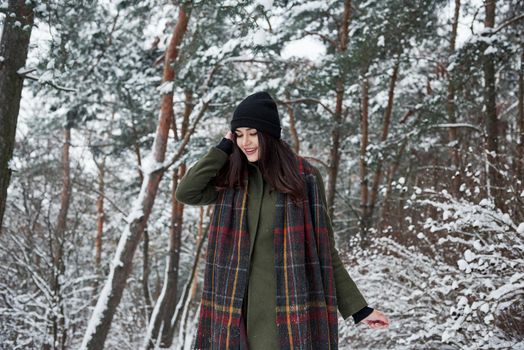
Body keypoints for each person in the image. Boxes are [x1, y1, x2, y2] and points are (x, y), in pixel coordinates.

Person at [176, 91, 389, 350]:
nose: (246, 142)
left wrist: (359, 309)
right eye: (239, 134)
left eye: (252, 133)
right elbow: (187, 192)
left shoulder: (305, 179)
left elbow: (325, 251)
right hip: (233, 315)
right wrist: (222, 149)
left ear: (268, 134)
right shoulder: (232, 180)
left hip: (288, 316)